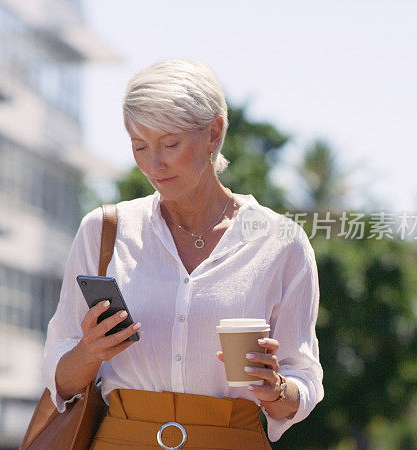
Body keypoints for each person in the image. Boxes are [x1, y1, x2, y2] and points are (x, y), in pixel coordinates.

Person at [42, 59, 323, 448]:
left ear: (213, 133)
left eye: (170, 144)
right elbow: (59, 378)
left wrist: (273, 387)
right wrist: (89, 352)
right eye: (139, 146)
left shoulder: (281, 242)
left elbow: (303, 383)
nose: (153, 164)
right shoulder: (104, 231)